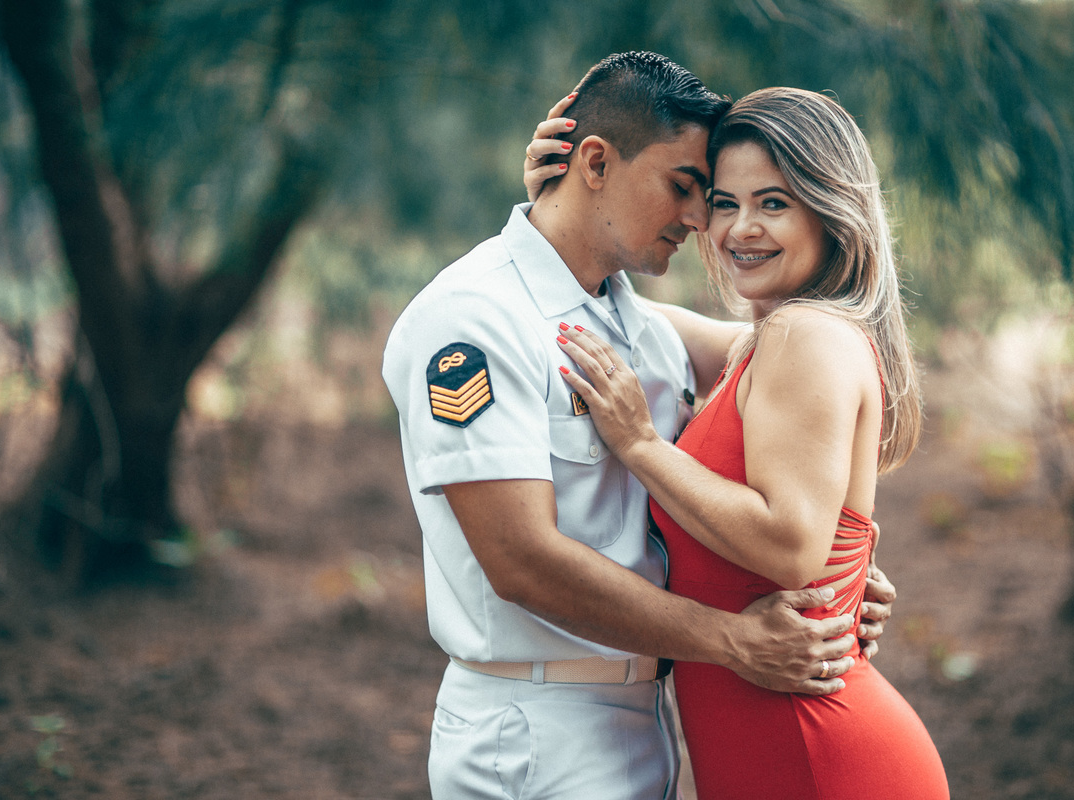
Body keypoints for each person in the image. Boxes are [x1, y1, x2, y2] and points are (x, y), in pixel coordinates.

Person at [383, 54, 898, 799]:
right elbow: (521, 561)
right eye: (686, 188)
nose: (701, 221)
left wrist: (843, 569)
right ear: (595, 162)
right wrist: (732, 641)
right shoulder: (474, 319)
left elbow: (812, 385)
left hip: (648, 720)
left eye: (707, 197)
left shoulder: (641, 330)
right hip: (535, 727)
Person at [546, 86, 948, 798]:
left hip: (814, 752)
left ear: (831, 210)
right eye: (725, 203)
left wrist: (641, 445)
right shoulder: (765, 341)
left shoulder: (803, 336)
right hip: (777, 747)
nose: (740, 229)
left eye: (773, 203)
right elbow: (607, 307)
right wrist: (564, 197)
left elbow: (790, 547)